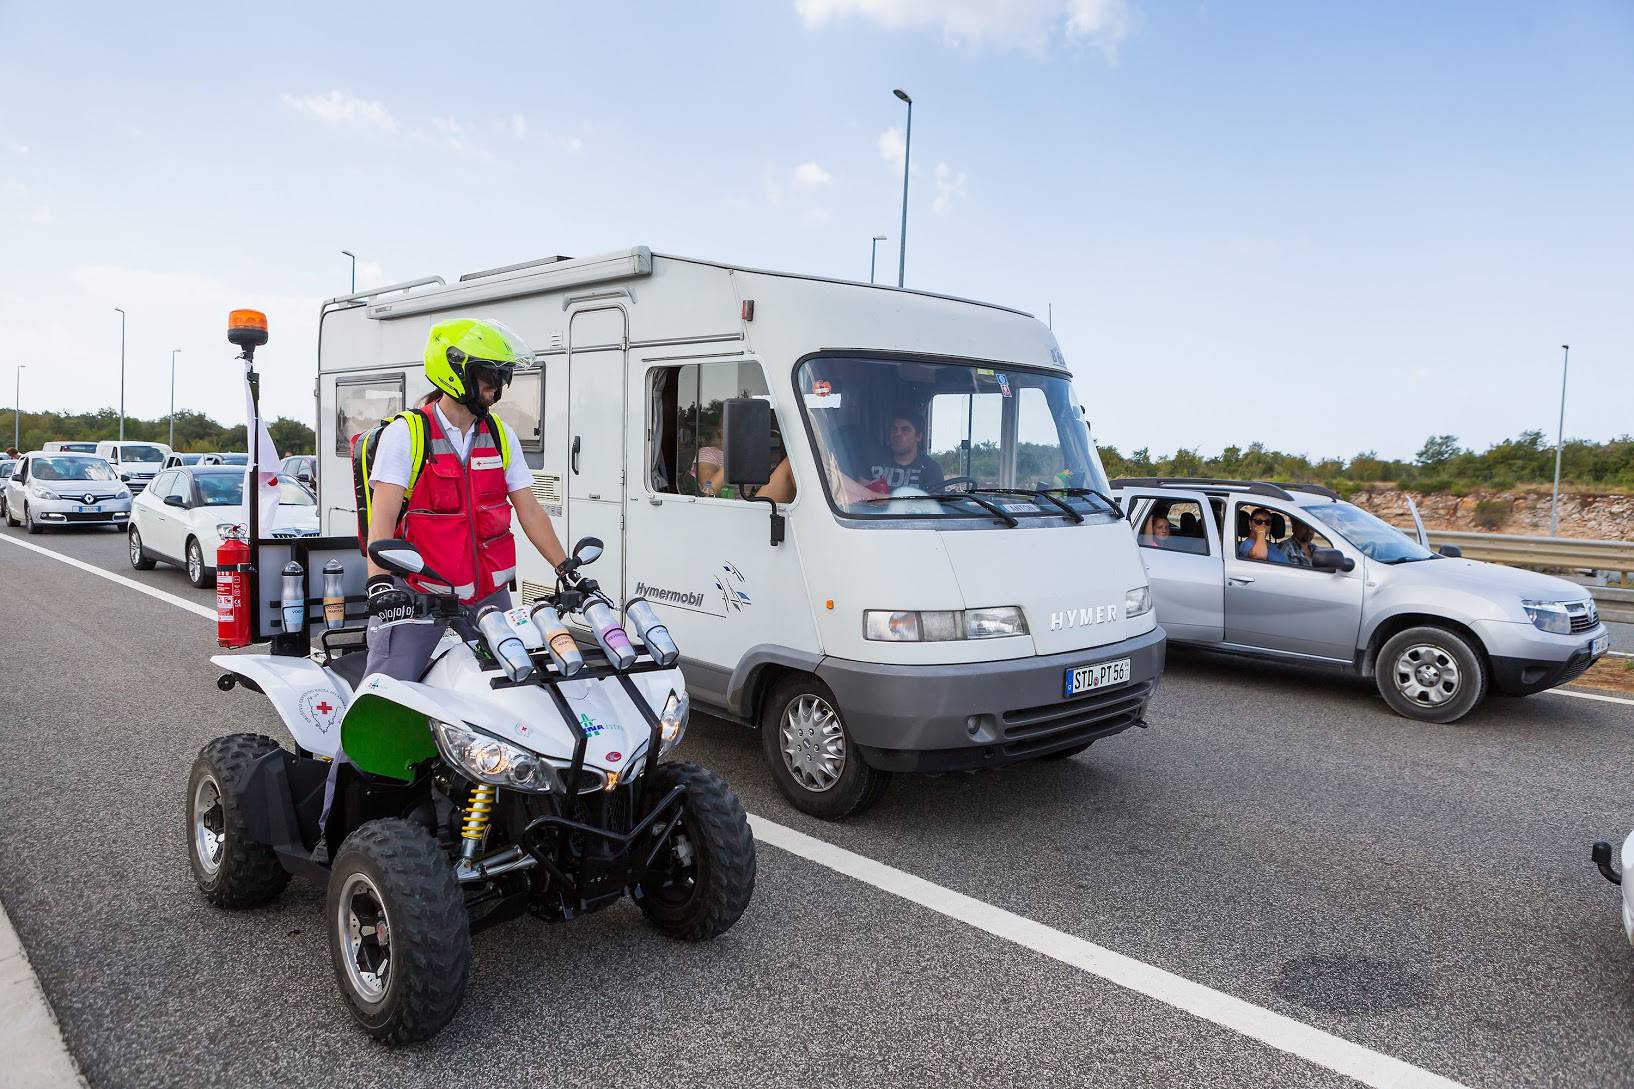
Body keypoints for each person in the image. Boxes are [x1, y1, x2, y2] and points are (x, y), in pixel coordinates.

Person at [364, 318, 569, 681]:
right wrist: (379, 585)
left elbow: (531, 511)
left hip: (488, 595)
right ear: (454, 371)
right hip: (419, 595)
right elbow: (380, 522)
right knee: (389, 692)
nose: (498, 387)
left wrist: (564, 567)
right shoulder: (407, 434)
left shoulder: (500, 435)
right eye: (489, 375)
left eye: (502, 376)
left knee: (517, 685)